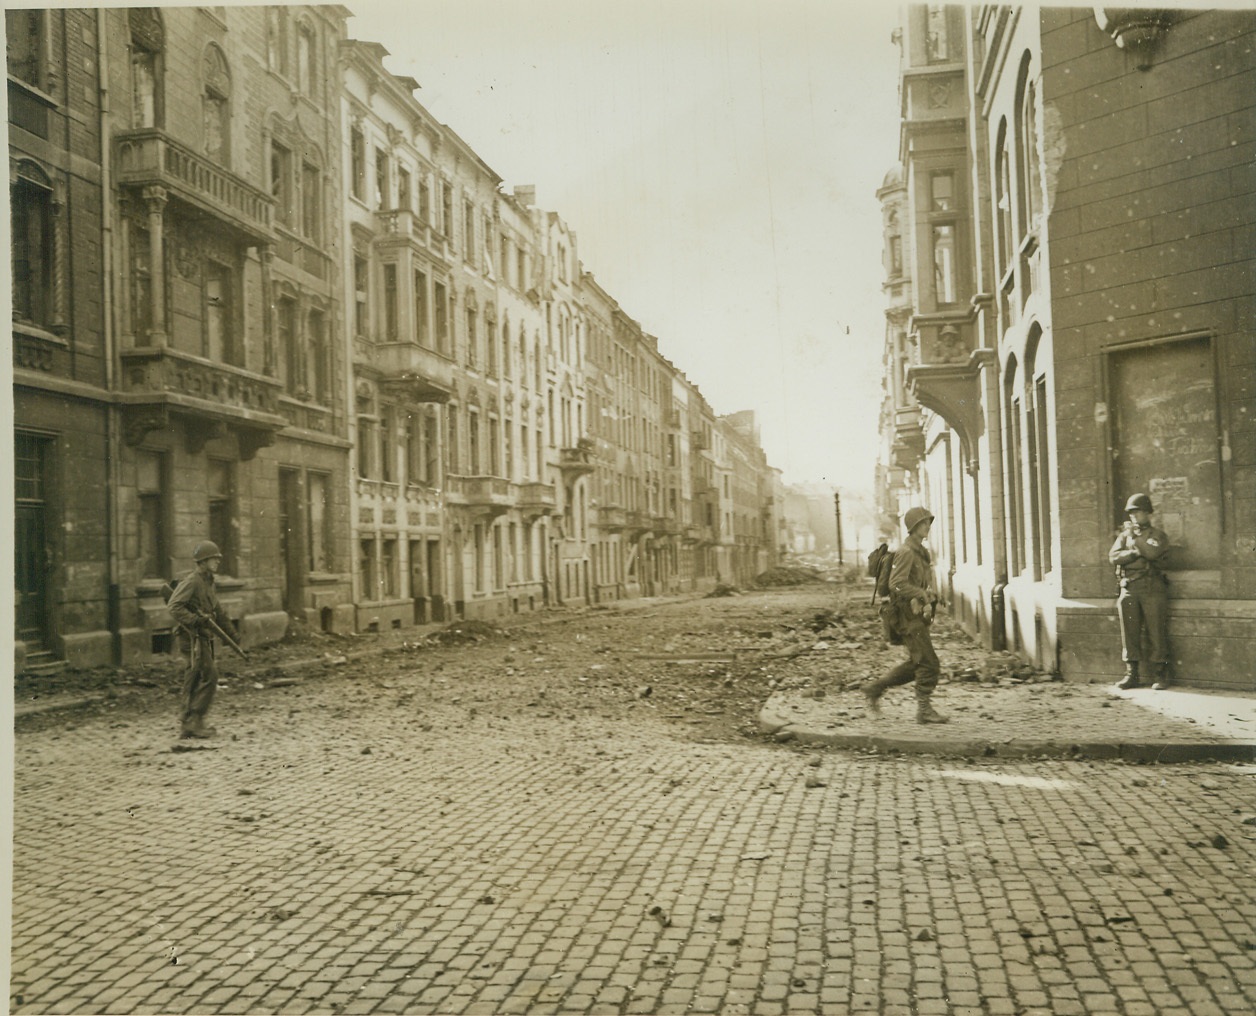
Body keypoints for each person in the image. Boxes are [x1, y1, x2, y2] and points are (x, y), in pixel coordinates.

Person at [862, 506, 948, 724]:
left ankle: (874, 689)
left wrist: (930, 595)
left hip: (915, 614)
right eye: (923, 523)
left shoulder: (920, 551)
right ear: (913, 527)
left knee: (916, 662)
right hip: (905, 616)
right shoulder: (907, 552)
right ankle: (924, 710)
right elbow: (897, 584)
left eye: (928, 522)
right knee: (929, 663)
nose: (928, 526)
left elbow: (915, 582)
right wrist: (920, 593)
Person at [167, 540, 238, 738]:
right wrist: (195, 621)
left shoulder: (208, 582)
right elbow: (174, 606)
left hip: (201, 637)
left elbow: (217, 610)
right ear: (203, 561)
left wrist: (231, 632)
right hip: (190, 637)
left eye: (217, 559)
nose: (217, 562)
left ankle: (189, 721)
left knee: (196, 676)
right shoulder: (193, 581)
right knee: (210, 675)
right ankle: (194, 719)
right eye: (213, 559)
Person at [1109, 492, 1171, 690]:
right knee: (1130, 633)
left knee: (1156, 632)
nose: (1134, 517)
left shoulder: (1157, 535)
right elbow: (1114, 556)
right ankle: (1131, 674)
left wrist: (1135, 542)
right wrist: (1135, 553)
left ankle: (1160, 675)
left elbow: (1153, 552)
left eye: (1138, 512)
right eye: (1132, 513)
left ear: (1148, 513)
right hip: (1129, 588)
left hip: (1152, 588)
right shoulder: (1124, 536)